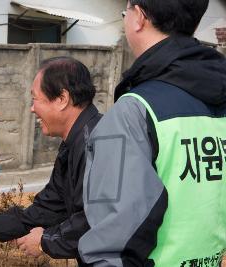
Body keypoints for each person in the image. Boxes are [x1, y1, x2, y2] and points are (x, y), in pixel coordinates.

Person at [79, 0, 226, 266]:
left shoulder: (134, 111)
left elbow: (112, 245)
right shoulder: (219, 98)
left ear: (138, 18)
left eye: (125, 13)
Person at [0, 56, 102, 265]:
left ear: (62, 99)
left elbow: (99, 221)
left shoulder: (98, 143)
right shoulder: (74, 142)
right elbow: (50, 205)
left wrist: (45, 241)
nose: (32, 108)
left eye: (35, 98)